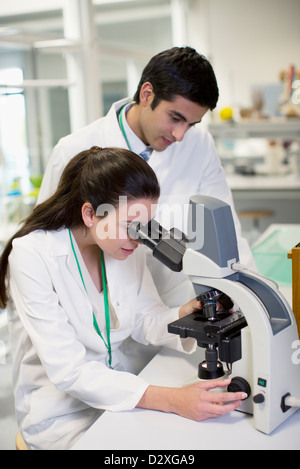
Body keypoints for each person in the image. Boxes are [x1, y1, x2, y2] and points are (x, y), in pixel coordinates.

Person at [0, 147, 247, 450]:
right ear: (90, 213)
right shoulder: (32, 255)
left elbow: (145, 319)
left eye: (144, 226)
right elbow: (69, 371)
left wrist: (190, 312)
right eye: (129, 225)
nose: (138, 238)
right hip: (62, 415)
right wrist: (173, 400)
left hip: (122, 395)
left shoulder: (121, 245)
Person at [37, 46, 255, 308]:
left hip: (174, 310)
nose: (180, 135)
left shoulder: (199, 145)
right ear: (147, 93)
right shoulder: (74, 149)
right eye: (175, 118)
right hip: (102, 318)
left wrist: (247, 299)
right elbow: (45, 250)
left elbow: (225, 227)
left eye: (191, 124)